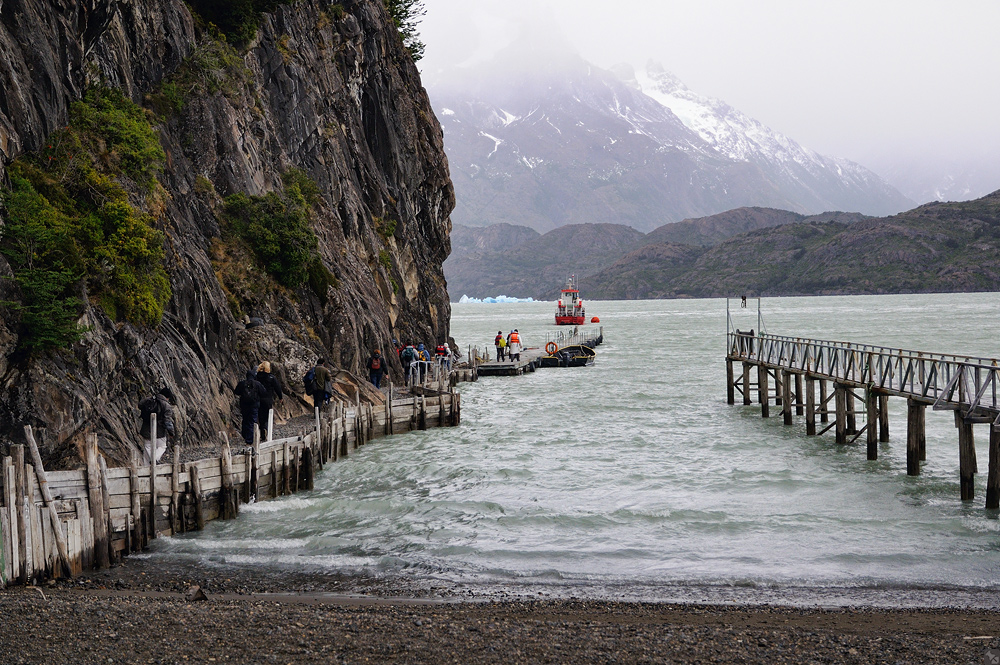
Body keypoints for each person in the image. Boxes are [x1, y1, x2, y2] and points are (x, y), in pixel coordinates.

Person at [139, 386, 175, 464]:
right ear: (167, 397)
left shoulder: (149, 400)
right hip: (159, 431)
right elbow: (167, 421)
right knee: (162, 446)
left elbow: (140, 404)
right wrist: (171, 432)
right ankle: (154, 459)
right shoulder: (166, 406)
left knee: (147, 448)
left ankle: (146, 469)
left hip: (146, 429)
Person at [234, 369, 266, 447]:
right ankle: (249, 440)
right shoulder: (257, 384)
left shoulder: (242, 383)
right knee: (252, 421)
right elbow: (263, 392)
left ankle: (245, 435)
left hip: (244, 405)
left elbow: (236, 392)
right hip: (254, 405)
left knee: (245, 420)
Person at [255, 361, 284, 442]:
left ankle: (262, 433)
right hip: (268, 399)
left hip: (259, 398)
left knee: (260, 417)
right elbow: (277, 388)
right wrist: (280, 397)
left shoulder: (257, 376)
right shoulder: (271, 377)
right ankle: (267, 430)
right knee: (268, 416)